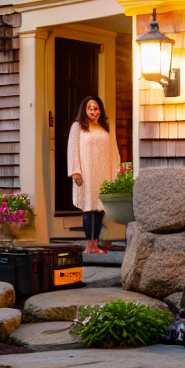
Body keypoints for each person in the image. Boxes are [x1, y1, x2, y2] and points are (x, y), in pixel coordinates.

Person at [66, 95, 119, 253]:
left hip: (103, 172)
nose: (93, 111)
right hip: (86, 173)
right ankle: (89, 245)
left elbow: (114, 151)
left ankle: (95, 244)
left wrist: (115, 171)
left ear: (100, 110)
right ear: (85, 110)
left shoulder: (106, 126)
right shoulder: (78, 126)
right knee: (89, 208)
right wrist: (75, 171)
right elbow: (72, 149)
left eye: (96, 108)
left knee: (99, 209)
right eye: (90, 108)